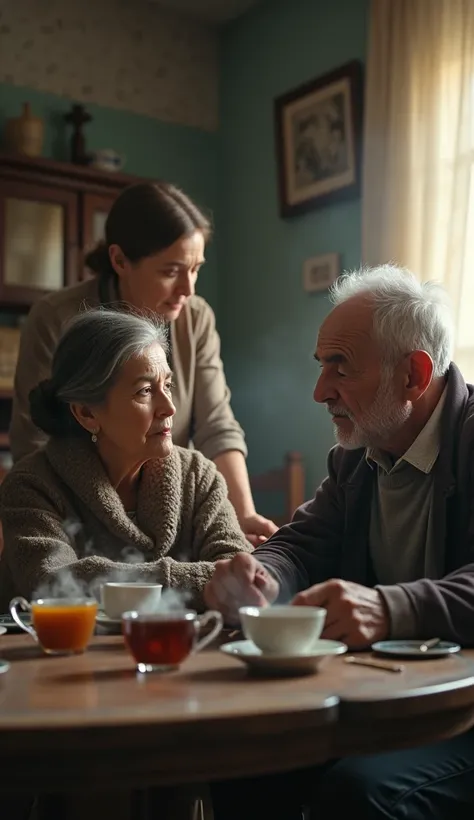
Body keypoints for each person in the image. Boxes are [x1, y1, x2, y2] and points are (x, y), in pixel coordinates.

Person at [204, 265, 474, 820]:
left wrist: (389, 607)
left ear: (413, 375)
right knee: (238, 756)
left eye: (340, 368)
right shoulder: (357, 455)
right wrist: (262, 575)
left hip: (463, 714)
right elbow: (301, 544)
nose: (319, 391)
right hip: (390, 702)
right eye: (321, 366)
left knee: (361, 792)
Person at [10, 181, 277, 546]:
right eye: (171, 271)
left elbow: (217, 424)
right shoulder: (56, 318)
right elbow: (35, 444)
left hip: (166, 505)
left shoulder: (194, 317)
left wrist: (242, 513)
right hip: (76, 515)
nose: (189, 289)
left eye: (195, 269)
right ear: (120, 261)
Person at [0, 309, 252, 611]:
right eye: (145, 391)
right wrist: (202, 582)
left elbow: (239, 570)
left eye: (167, 385)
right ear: (87, 413)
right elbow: (53, 584)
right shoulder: (32, 485)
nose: (169, 408)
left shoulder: (199, 476)